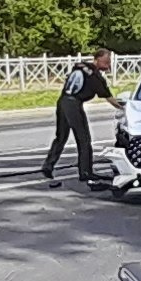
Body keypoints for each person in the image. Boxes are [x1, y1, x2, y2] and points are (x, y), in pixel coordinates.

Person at [43, 48, 122, 187]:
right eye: (106, 62)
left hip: (62, 101)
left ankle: (48, 165)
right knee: (84, 139)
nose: (108, 66)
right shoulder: (95, 77)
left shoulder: (81, 66)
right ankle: (85, 172)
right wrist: (125, 108)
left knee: (61, 137)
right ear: (97, 60)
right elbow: (110, 99)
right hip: (73, 105)